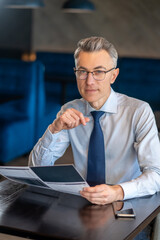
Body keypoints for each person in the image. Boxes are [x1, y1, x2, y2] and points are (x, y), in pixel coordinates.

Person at [29, 36, 160, 205]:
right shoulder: (69, 110)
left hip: (126, 203)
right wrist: (54, 129)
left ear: (113, 75)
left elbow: (156, 175)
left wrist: (117, 191)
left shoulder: (139, 112)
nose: (89, 81)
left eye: (99, 72)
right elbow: (37, 168)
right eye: (82, 72)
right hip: (82, 201)